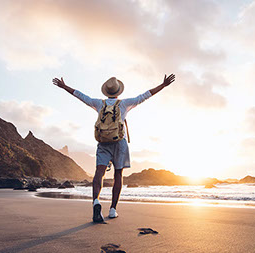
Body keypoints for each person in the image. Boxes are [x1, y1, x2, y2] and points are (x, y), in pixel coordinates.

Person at [52, 74, 175, 222]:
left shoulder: (99, 103)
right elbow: (145, 96)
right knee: (118, 174)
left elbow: (81, 96)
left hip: (103, 142)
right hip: (119, 142)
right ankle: (112, 210)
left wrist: (64, 86)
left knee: (99, 172)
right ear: (118, 91)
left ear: (106, 91)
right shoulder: (124, 104)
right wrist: (163, 85)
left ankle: (96, 201)